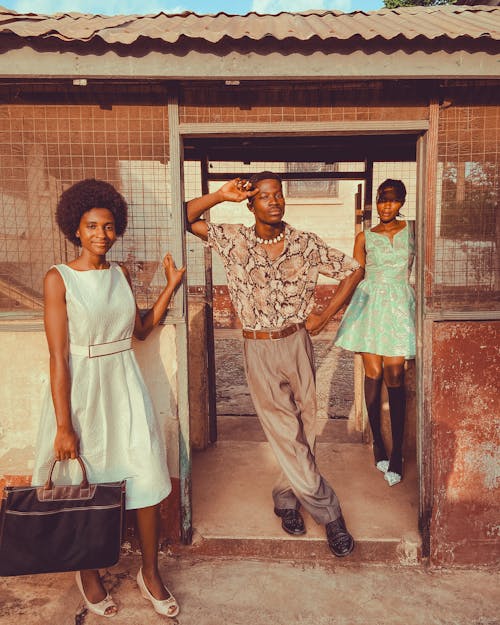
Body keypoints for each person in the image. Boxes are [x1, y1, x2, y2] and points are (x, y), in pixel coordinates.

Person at [186, 172, 364, 557]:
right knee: (285, 430)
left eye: (278, 195)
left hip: (297, 341)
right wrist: (221, 194)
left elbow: (353, 271)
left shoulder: (305, 243)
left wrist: (325, 317)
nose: (274, 201)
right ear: (251, 204)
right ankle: (329, 513)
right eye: (264, 196)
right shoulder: (234, 238)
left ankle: (286, 499)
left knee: (306, 425)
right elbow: (185, 217)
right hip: (258, 347)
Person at [31, 179, 185, 618]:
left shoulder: (118, 274)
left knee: (147, 476)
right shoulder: (58, 279)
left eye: (109, 226)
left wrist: (170, 285)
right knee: (84, 483)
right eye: (92, 226)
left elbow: (138, 329)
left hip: (123, 384)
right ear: (75, 229)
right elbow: (59, 357)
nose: (101, 234)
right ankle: (89, 573)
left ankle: (150, 572)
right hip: (82, 392)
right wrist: (64, 426)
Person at [335, 179, 415, 487]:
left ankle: (397, 455)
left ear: (401, 203)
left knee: (395, 374)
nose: (386, 205)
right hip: (369, 307)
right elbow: (356, 274)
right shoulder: (364, 236)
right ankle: (378, 445)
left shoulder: (413, 232)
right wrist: (331, 310)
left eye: (393, 201)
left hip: (398, 308)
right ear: (377, 202)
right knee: (373, 372)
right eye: (382, 200)